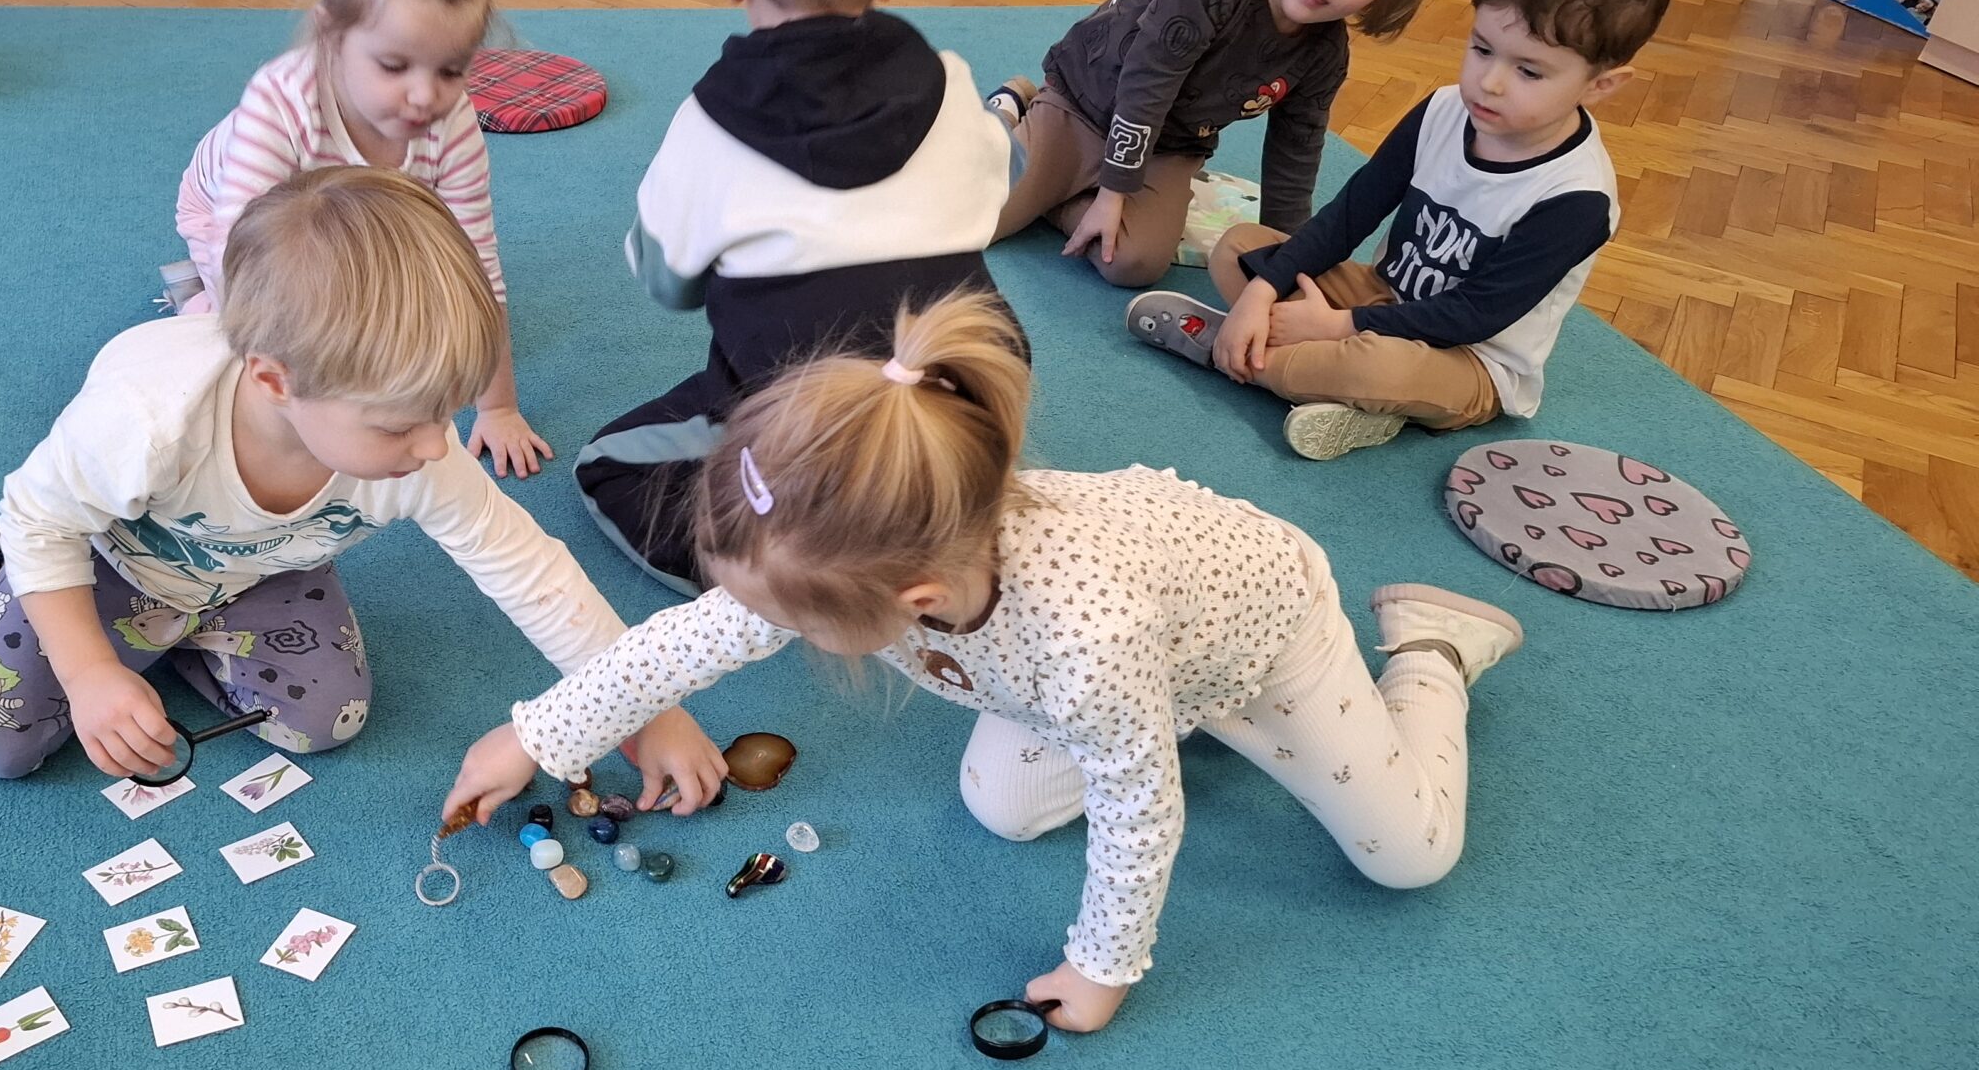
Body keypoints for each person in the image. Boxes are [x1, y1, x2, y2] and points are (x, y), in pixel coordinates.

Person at [446, 291, 1526, 1032]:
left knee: (1409, 858)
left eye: (786, 621)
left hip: (1265, 638)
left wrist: (1102, 969)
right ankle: (1168, 715)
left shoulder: (1085, 641)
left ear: (910, 605)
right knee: (1001, 807)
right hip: (1103, 665)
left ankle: (1432, 651)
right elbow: (688, 639)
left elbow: (1140, 809)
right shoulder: (871, 552)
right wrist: (537, 735)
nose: (754, 628)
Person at [0, 167, 726, 811]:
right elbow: (41, 519)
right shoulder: (145, 419)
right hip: (103, 560)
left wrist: (643, 710)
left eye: (446, 412)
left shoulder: (415, 446)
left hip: (262, 567)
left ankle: (171, 639)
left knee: (324, 723)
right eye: (399, 425)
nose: (434, 446)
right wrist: (88, 671)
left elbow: (531, 572)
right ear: (275, 381)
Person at [576, 0, 1014, 594]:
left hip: (797, 419)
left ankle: (786, 580)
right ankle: (933, 519)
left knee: (606, 463)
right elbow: (994, 192)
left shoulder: (707, 124)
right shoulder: (951, 81)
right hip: (966, 391)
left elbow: (667, 284)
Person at [1128, 0, 1667, 459]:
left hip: (1471, 360)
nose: (1491, 82)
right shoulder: (1443, 109)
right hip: (1380, 296)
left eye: (1528, 71)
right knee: (1241, 247)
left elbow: (1475, 315)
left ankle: (1235, 352)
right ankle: (1324, 382)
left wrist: (1337, 325)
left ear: (1601, 85)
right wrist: (1265, 291)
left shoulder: (1577, 198)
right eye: (1482, 49)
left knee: (1374, 367)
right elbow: (1350, 215)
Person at [168, 0, 550, 478]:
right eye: (394, 65)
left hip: (361, 213)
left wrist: (498, 408)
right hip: (245, 225)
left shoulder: (451, 122)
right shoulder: (280, 101)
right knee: (283, 336)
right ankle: (193, 301)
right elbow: (244, 261)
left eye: (451, 69)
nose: (425, 96)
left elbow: (480, 265)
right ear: (331, 34)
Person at [987, 0, 1450, 287]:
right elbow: (1146, 89)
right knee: (979, 215)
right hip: (1083, 103)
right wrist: (1111, 195)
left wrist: (1282, 259)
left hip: (1170, 145)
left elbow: (1296, 154)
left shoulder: (1326, 53)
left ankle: (1055, 190)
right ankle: (1016, 109)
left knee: (1132, 263)